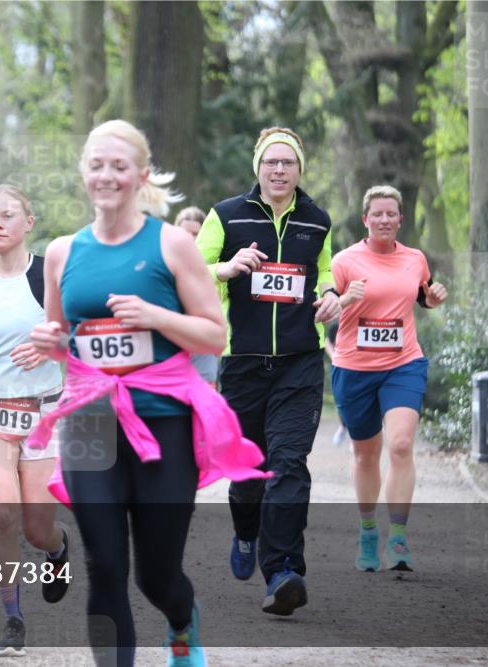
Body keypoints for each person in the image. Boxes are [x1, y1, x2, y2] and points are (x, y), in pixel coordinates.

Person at [29, 120, 269, 667]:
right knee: (104, 564)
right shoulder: (63, 253)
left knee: (156, 574)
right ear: (83, 172)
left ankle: (182, 620)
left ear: (141, 176)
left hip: (164, 422)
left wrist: (155, 315)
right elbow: (65, 339)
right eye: (97, 165)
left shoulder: (172, 244)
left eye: (119, 166)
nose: (106, 175)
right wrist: (51, 341)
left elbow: (215, 333)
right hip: (91, 422)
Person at [196, 126, 341, 615]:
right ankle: (245, 531)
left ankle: (282, 570)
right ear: (257, 168)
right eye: (271, 163)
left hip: (300, 364)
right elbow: (191, 268)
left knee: (289, 464)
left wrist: (331, 296)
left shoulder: (316, 220)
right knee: (249, 473)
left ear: (300, 169)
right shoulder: (226, 215)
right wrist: (227, 267)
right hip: (242, 364)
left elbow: (324, 271)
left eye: (288, 163)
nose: (279, 171)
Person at [0, 184, 69, 657]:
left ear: (29, 221)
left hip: (43, 412)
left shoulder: (47, 274)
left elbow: (83, 335)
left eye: (8, 215)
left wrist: (53, 344)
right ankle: (12, 618)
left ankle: (57, 548)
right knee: (3, 511)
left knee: (35, 528)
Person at [331, 185, 447, 572]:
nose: (384, 220)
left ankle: (397, 538)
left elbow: (421, 296)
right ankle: (368, 530)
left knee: (400, 445)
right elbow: (326, 306)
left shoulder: (415, 259)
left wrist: (432, 300)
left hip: (403, 364)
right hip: (354, 368)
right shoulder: (345, 261)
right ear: (365, 219)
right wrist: (345, 299)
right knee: (366, 454)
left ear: (400, 219)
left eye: (390, 214)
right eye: (376, 214)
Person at [174, 206, 218, 386]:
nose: (190, 239)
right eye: (185, 233)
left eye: (196, 233)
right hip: (170, 351)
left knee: (203, 406)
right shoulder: (161, 262)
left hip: (202, 351)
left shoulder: (216, 268)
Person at [325, 321, 350, 447]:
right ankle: (343, 427)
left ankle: (356, 435)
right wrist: (334, 357)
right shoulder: (336, 326)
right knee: (340, 399)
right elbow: (327, 342)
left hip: (357, 367)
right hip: (339, 366)